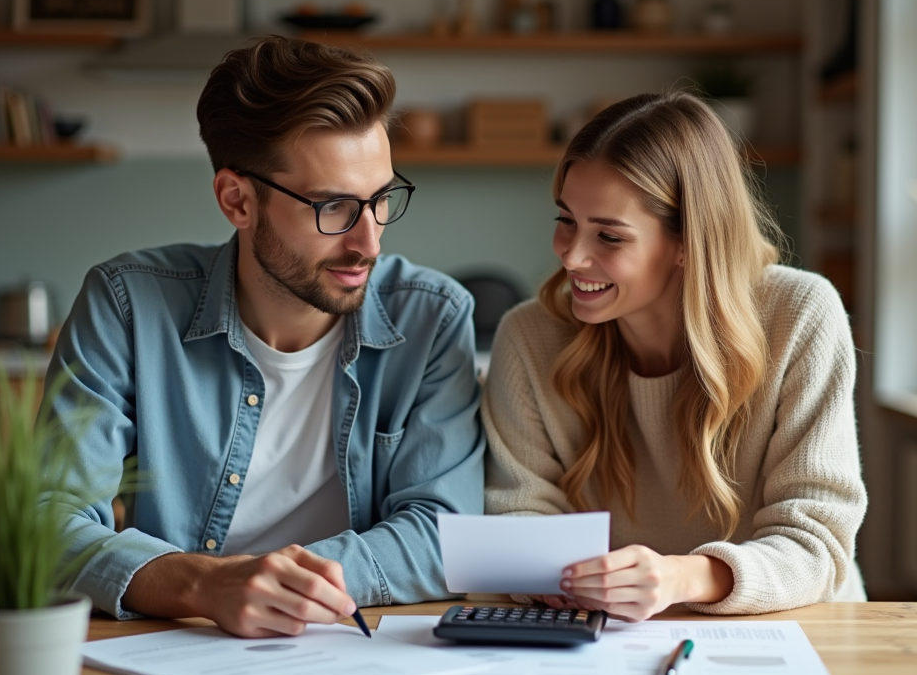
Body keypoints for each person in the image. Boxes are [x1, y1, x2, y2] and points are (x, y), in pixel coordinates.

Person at [45, 36, 484, 637]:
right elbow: (49, 518)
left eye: (381, 200)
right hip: (177, 646)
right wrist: (203, 584)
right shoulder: (127, 304)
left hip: (358, 649)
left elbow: (444, 533)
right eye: (333, 208)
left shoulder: (432, 319)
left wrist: (285, 585)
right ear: (237, 199)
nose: (369, 242)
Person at [483, 92, 867, 622]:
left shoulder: (799, 314)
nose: (571, 255)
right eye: (566, 220)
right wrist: (550, 578)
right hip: (605, 635)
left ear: (688, 242)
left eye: (609, 236)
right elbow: (516, 511)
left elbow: (817, 544)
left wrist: (678, 577)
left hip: (789, 629)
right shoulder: (529, 336)